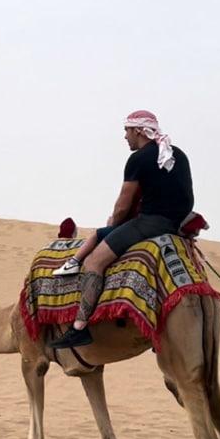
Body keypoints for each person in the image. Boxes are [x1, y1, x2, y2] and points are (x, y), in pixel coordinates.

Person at [48, 110, 194, 349]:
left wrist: (113, 226)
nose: (125, 137)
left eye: (127, 131)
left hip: (150, 223)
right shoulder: (178, 154)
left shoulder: (139, 159)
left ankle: (80, 327)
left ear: (138, 130)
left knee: (94, 262)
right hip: (176, 224)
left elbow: (122, 205)